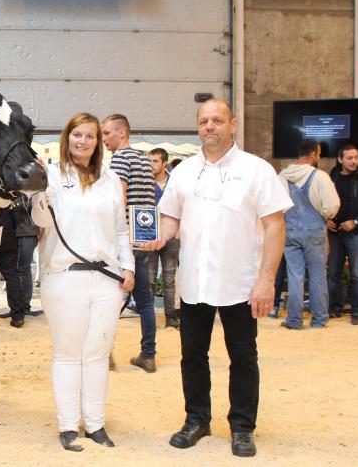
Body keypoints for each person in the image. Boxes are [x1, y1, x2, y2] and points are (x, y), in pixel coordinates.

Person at [144, 98, 292, 457]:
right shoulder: (184, 172)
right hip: (194, 283)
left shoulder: (257, 170)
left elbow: (275, 226)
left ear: (233, 124)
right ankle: (197, 420)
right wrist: (158, 235)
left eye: (217, 120)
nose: (209, 126)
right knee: (192, 354)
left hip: (241, 284)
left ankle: (242, 427)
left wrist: (266, 279)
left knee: (243, 356)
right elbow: (171, 218)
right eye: (203, 121)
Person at [31, 112, 135, 451]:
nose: (83, 141)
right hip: (64, 278)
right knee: (67, 353)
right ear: (67, 137)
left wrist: (128, 267)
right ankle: (67, 424)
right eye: (77, 134)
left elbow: (121, 229)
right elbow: (40, 220)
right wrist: (37, 191)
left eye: (90, 136)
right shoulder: (52, 176)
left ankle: (95, 423)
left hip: (106, 279)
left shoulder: (110, 179)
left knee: (97, 353)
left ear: (98, 142)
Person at [102, 113, 157, 372]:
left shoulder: (121, 158)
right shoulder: (145, 160)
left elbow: (119, 197)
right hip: (144, 236)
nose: (103, 139)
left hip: (124, 241)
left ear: (121, 133)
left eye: (106, 133)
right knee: (145, 302)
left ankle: (106, 354)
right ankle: (148, 355)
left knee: (111, 299)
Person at [278, 140, 340, 329]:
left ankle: (294, 320)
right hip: (314, 232)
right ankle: (319, 319)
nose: (319, 157)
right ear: (313, 154)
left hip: (290, 230)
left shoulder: (283, 176)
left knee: (294, 275)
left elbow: (277, 206)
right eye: (319, 154)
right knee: (318, 275)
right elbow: (332, 206)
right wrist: (325, 215)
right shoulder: (320, 177)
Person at [327, 144, 358, 324]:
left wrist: (356, 222)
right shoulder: (332, 176)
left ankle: (357, 313)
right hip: (335, 233)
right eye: (350, 158)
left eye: (356, 157)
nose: (354, 161)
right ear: (340, 159)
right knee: (334, 273)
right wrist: (326, 218)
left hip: (356, 234)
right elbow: (324, 201)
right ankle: (335, 309)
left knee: (357, 274)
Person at [148, 147, 180, 329]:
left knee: (169, 279)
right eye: (149, 161)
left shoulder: (175, 182)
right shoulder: (145, 181)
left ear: (164, 163)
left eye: (155, 161)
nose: (151, 165)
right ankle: (149, 318)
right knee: (150, 279)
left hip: (172, 237)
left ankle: (171, 317)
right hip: (151, 235)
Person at [12, 195, 42, 317]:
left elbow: (35, 206)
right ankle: (21, 304)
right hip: (18, 234)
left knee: (23, 269)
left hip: (27, 233)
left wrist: (15, 202)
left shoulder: (30, 192)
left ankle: (25, 305)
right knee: (19, 269)